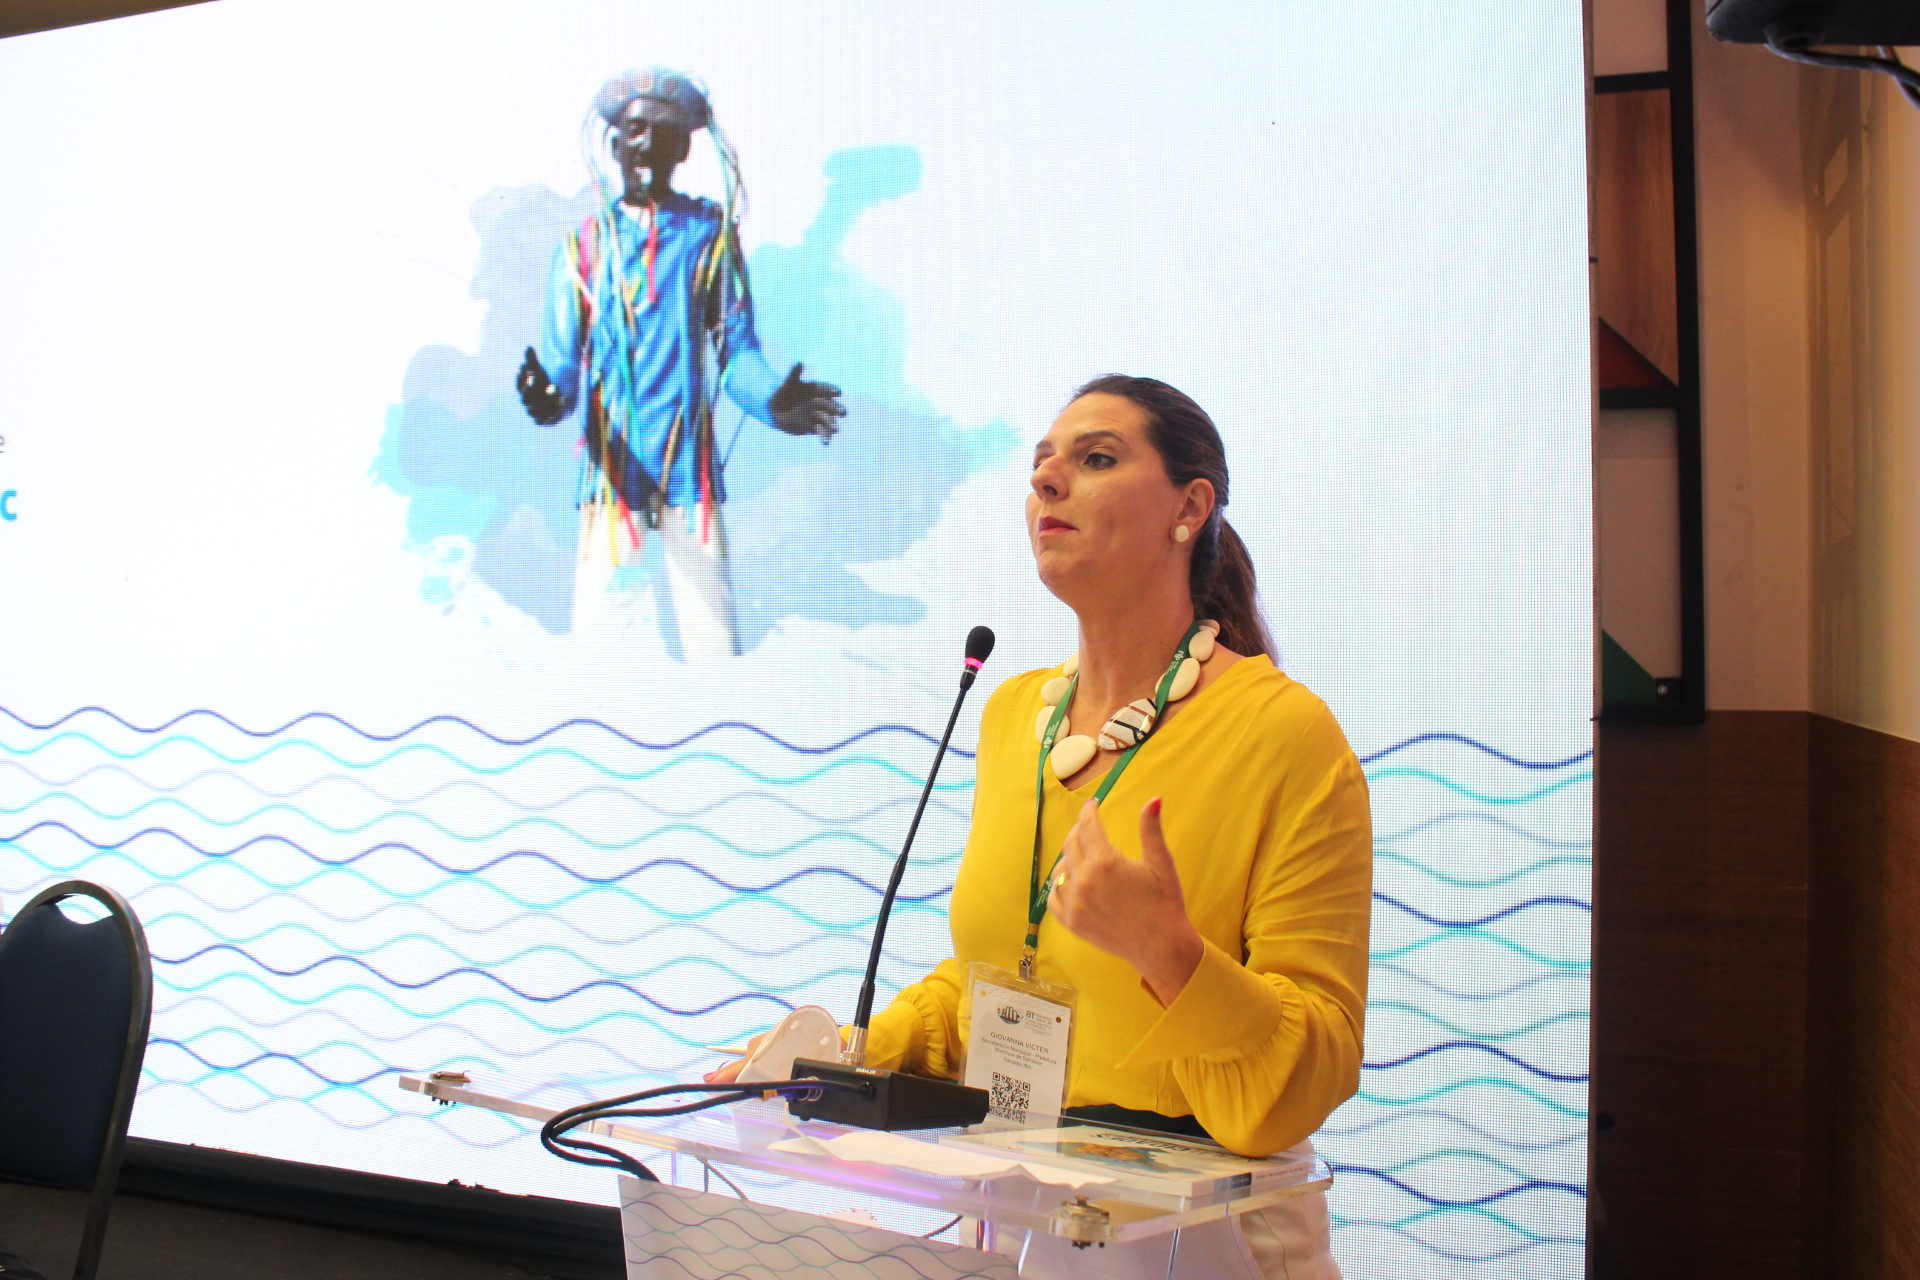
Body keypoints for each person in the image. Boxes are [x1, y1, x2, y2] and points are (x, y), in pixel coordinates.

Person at [713, 375, 1372, 1277]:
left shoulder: (1285, 732)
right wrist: (838, 1058)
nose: (1047, 483)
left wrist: (1170, 955)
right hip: (1018, 1211)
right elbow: (999, 980)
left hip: (1203, 1239)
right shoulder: (1012, 714)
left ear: (1189, 508)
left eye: (1095, 459)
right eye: (1040, 466)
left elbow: (1315, 1067)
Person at [516, 67, 846, 658]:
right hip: (611, 473)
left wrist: (774, 400)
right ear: (614, 143)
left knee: (712, 642)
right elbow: (563, 365)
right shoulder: (583, 247)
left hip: (688, 470)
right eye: (635, 130)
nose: (648, 145)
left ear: (684, 149)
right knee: (597, 646)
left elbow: (737, 353)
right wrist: (547, 397)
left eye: (664, 133)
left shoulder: (708, 237)